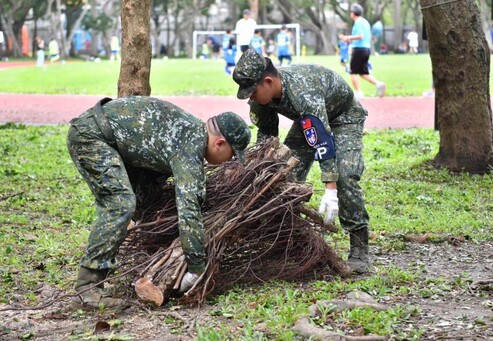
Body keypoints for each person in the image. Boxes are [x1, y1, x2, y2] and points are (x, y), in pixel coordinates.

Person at [67, 96, 251, 308]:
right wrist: (197, 267)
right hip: (91, 137)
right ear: (220, 143)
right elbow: (189, 211)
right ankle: (87, 290)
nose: (229, 161)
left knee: (147, 199)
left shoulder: (191, 131)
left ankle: (118, 268)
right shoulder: (189, 149)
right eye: (231, 155)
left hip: (105, 137)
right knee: (120, 204)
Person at [232, 48, 371, 274]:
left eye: (252, 92)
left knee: (345, 176)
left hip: (343, 117)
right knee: (282, 176)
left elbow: (323, 141)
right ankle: (284, 241)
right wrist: (259, 170)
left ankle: (359, 248)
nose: (250, 97)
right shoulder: (261, 100)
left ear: (268, 81)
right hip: (306, 120)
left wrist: (331, 189)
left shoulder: (303, 93)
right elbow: (267, 139)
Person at [339, 4, 386, 99]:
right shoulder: (365, 22)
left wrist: (347, 37)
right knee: (363, 73)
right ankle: (379, 84)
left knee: (352, 72)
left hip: (359, 50)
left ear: (353, 13)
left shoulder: (358, 22)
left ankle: (358, 93)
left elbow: (360, 36)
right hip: (366, 49)